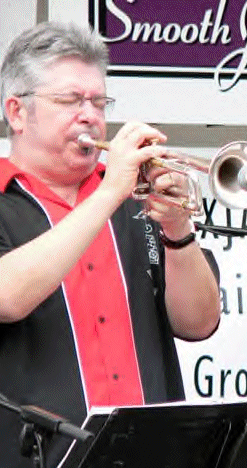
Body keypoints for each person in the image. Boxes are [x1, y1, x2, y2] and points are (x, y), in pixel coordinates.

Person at [0, 22, 221, 468]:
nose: (91, 116)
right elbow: (6, 298)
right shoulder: (111, 193)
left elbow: (199, 322)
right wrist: (107, 194)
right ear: (17, 112)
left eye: (99, 102)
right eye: (70, 101)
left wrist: (178, 230)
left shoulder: (133, 199)